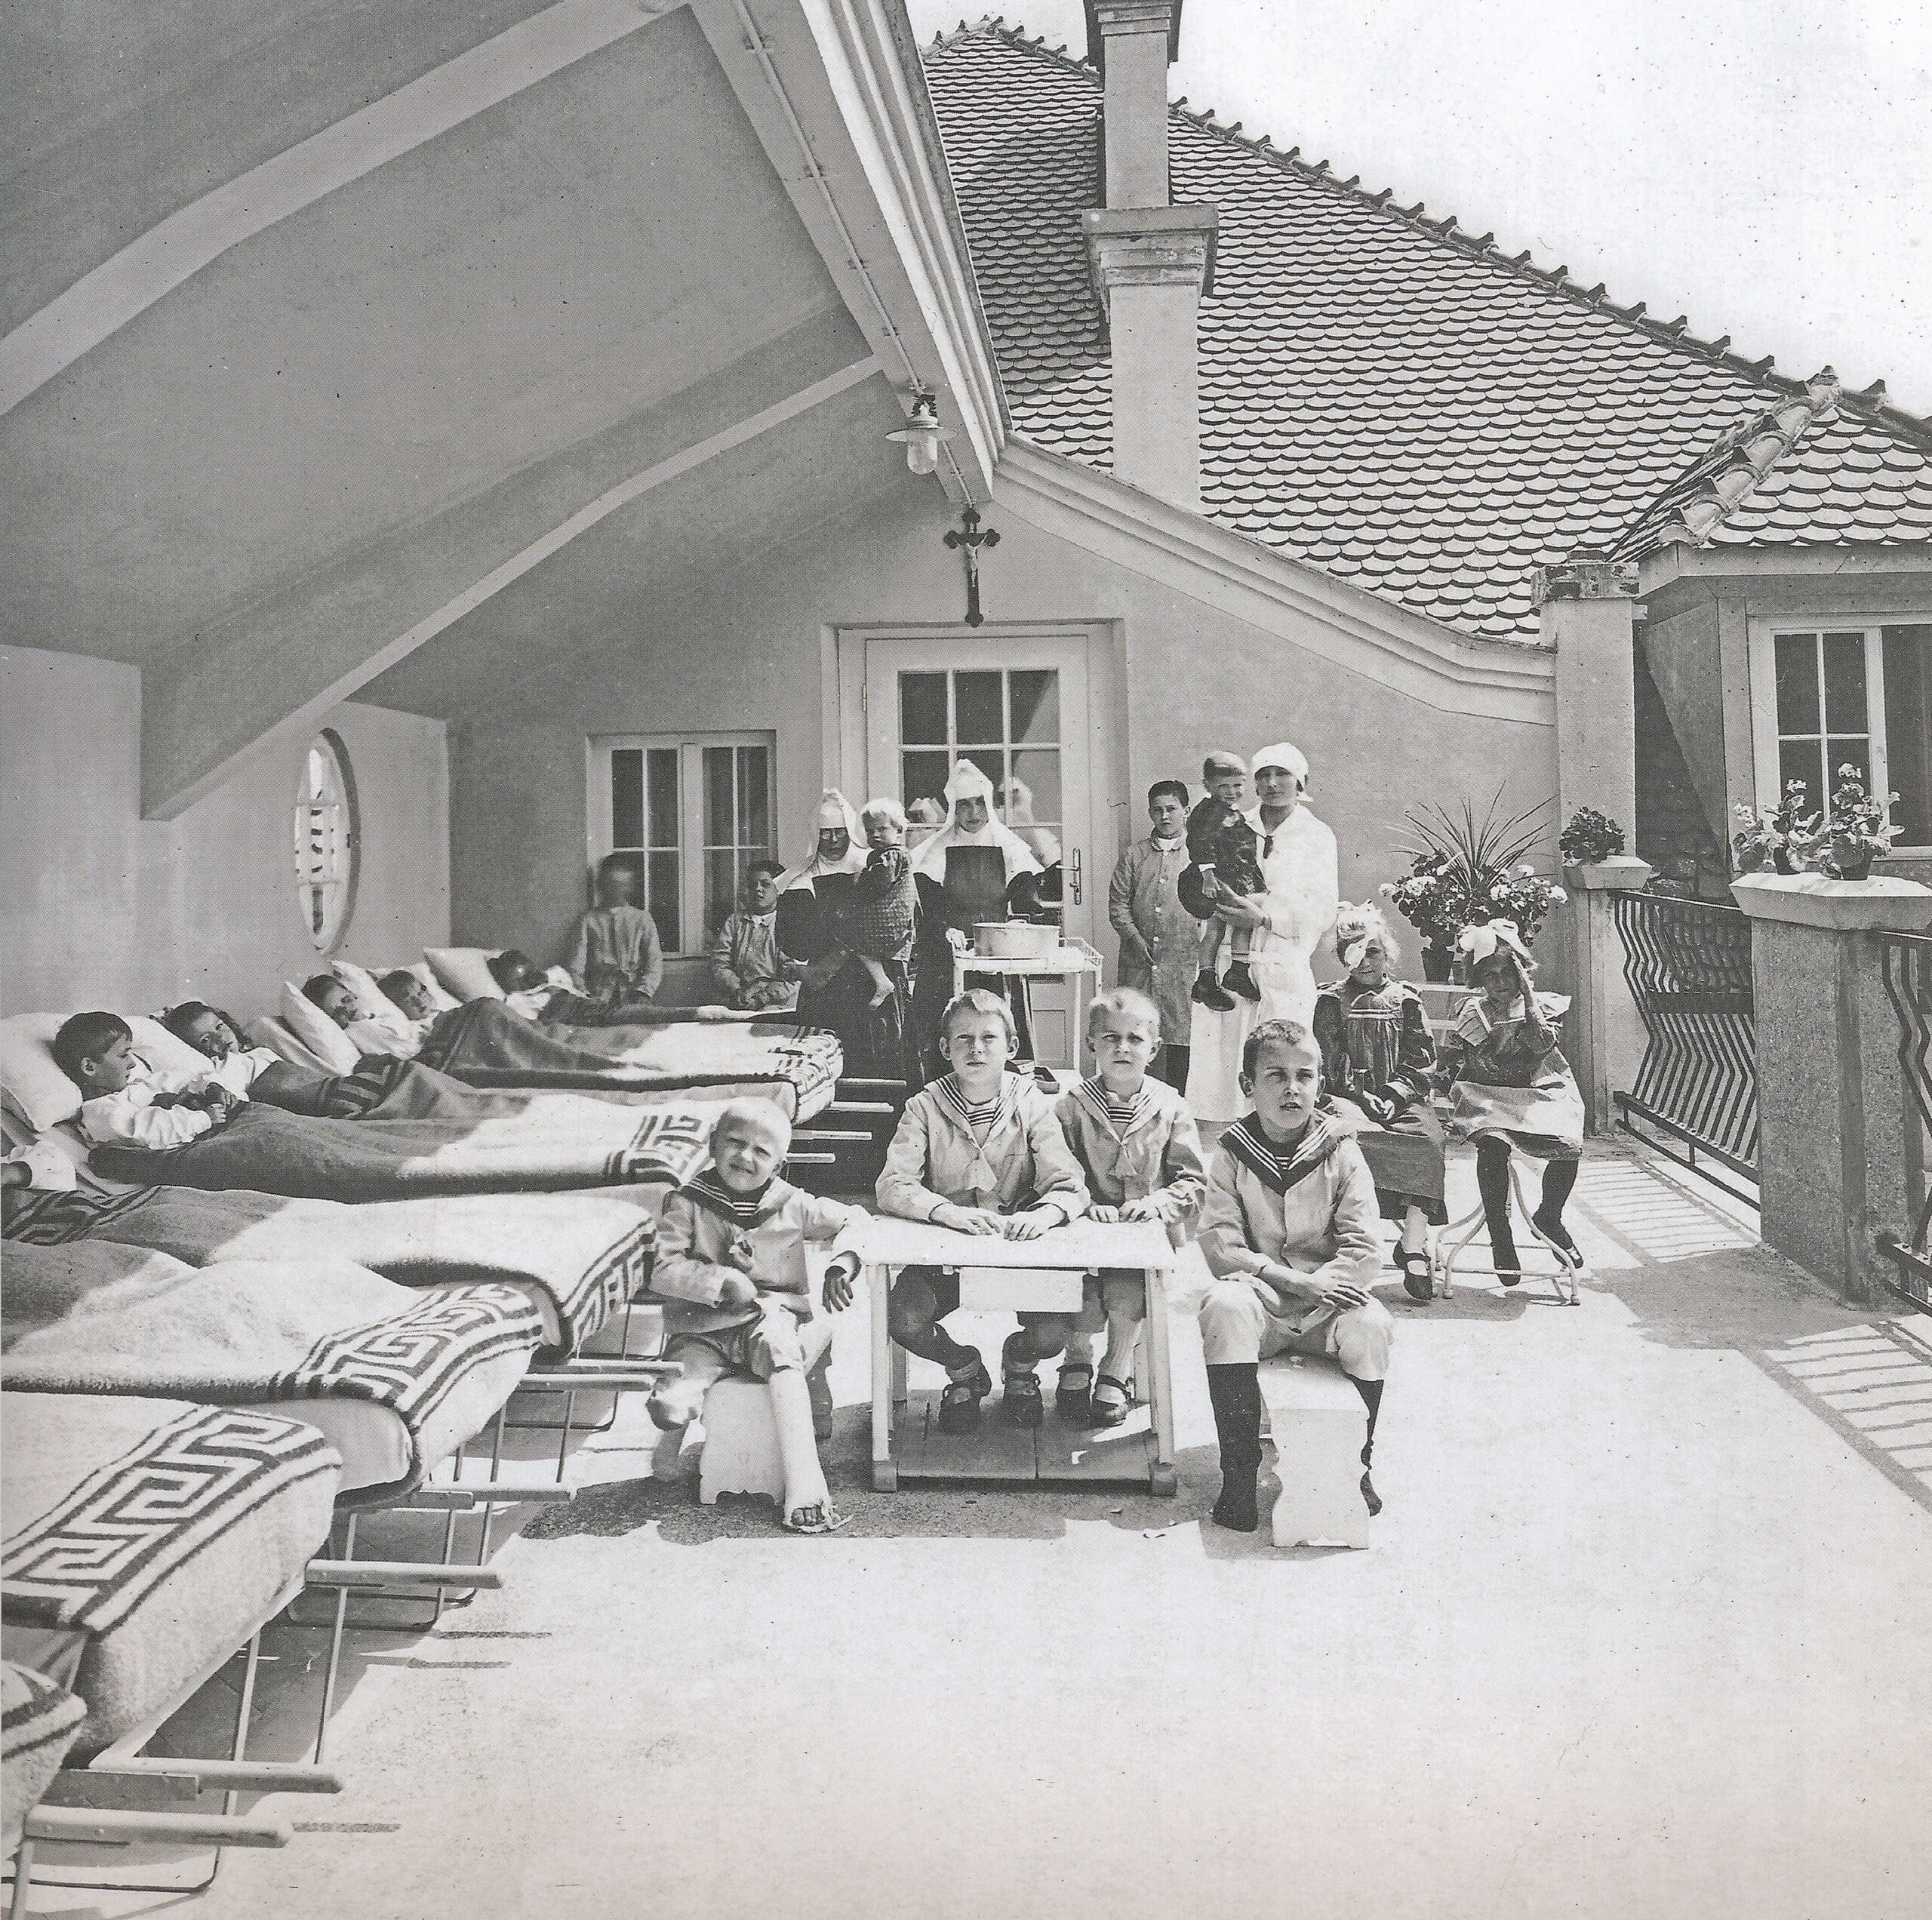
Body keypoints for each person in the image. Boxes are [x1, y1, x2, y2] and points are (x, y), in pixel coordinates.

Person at [1196, 1019, 1392, 1530]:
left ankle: (1358, 1467)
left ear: (1319, 1085)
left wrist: (1323, 1284)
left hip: (1328, 1306)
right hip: (1263, 1302)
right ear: (1248, 1086)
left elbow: (1366, 1244)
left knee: (1372, 1324)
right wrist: (1291, 1281)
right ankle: (1238, 1474)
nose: (1292, 1088)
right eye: (1276, 1076)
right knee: (1223, 1307)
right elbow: (1221, 1245)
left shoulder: (1341, 1150)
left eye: (1305, 1076)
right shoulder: (1231, 1154)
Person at [876, 989, 1091, 1432]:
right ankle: (965, 1369)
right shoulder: (924, 1107)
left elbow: (1069, 1185)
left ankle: (1019, 1364)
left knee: (1056, 1329)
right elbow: (892, 1185)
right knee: (903, 1317)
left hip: (1015, 1250)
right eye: (963, 1039)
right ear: (944, 1049)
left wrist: (1043, 1214)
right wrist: (944, 1212)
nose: (976, 1049)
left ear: (1011, 1048)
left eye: (989, 1038)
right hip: (948, 1253)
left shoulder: (1032, 1103)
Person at [645, 1101, 862, 1534]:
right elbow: (662, 1269)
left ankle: (806, 1481)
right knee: (670, 1405)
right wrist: (718, 1280)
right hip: (703, 1330)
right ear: (712, 1145)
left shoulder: (792, 1204)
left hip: (769, 1318)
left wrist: (845, 1263)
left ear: (780, 1163)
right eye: (735, 1144)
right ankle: (668, 1443)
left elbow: (856, 1219)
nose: (746, 1157)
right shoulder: (686, 1202)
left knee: (782, 1351)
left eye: (761, 1152)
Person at [1054, 987, 1207, 1427]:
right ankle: (1077, 1356)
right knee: (1076, 1289)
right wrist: (1083, 1204)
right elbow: (1055, 1167)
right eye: (1110, 1038)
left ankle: (1116, 1369)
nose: (1122, 1048)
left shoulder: (1170, 1106)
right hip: (1083, 1229)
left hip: (1143, 1233)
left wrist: (1159, 1202)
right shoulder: (1072, 1106)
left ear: (1154, 1048)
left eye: (1135, 1039)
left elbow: (1192, 1178)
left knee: (1127, 1291)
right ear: (1092, 1045)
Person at [1185, 741, 1340, 1126]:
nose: (1272, 783)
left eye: (1282, 774)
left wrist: (1266, 919)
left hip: (1281, 967)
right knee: (1220, 1078)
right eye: (1263, 775)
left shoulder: (1316, 835)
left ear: (1301, 781)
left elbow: (1321, 908)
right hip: (1226, 971)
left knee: (1280, 1070)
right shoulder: (1234, 823)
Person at [1437, 919, 1586, 1285]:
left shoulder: (1544, 1006)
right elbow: (1459, 1059)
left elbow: (1540, 1045)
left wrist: (1530, 997)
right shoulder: (1474, 1010)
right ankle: (1500, 1234)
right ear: (1479, 980)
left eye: (1508, 973)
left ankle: (1549, 1216)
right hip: (1487, 1091)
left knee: (1568, 1144)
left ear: (1521, 971)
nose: (1500, 983)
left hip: (1539, 1089)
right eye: (1491, 976)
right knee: (1493, 1146)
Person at [1312, 905, 1448, 1301]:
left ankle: (1412, 1243)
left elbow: (1422, 1058)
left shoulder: (1405, 999)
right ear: (1342, 956)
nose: (1365, 961)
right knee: (1348, 1139)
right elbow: (1325, 1059)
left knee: (1427, 1141)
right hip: (1347, 1097)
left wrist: (1394, 1093)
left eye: (1373, 952)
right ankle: (1348, 1243)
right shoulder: (1330, 1001)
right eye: (1354, 953)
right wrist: (1358, 1095)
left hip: (1399, 1097)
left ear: (1386, 954)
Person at [910, 759, 1044, 1068]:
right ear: (953, 808)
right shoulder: (937, 849)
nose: (972, 813)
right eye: (964, 805)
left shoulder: (1010, 845)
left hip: (995, 954)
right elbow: (927, 907)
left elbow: (1026, 903)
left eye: (979, 804)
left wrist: (1015, 924)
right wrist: (945, 929)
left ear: (989, 805)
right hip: (947, 953)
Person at [776, 789, 914, 1080]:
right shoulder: (799, 879)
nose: (834, 840)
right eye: (825, 834)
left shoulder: (874, 864)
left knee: (878, 1064)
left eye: (839, 832)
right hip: (827, 990)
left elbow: (906, 914)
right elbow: (791, 940)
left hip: (874, 984)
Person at [1109, 779, 1198, 1089]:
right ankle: (1134, 1096)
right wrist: (1134, 939)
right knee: (1136, 1029)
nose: (1165, 817)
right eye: (1157, 810)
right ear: (1150, 813)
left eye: (1171, 809)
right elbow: (1118, 905)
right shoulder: (1135, 855)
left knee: (1180, 1033)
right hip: (1140, 959)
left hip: (1184, 960)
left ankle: (1179, 1102)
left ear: (1186, 812)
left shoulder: (1198, 854)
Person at [54, 1011, 240, 1149]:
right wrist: (204, 1118)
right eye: (123, 1055)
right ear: (90, 1068)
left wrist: (211, 1087)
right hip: (189, 1147)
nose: (132, 1063)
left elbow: (181, 1079)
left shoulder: (137, 1087)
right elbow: (153, 1131)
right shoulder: (101, 1113)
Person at [1182, 752, 1265, 1011]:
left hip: (1233, 876)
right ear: (1208, 786)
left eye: (1237, 785)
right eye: (1223, 786)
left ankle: (1215, 977)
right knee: (1231, 922)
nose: (1231, 791)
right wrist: (1208, 876)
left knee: (1223, 926)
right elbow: (1199, 844)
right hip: (1216, 879)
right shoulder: (1209, 813)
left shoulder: (1230, 811)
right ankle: (1229, 973)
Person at [847, 798, 919, 1009]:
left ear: (899, 831)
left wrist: (858, 880)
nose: (875, 835)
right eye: (870, 831)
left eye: (882, 829)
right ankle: (881, 981)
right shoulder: (885, 854)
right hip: (888, 917)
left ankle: (882, 982)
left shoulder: (893, 855)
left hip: (889, 920)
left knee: (851, 935)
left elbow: (878, 881)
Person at [565, 854, 664, 1006]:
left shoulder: (642, 919)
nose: (614, 890)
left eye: (620, 885)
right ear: (601, 885)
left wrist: (644, 991)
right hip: (597, 996)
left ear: (630, 887)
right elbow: (576, 964)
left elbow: (654, 961)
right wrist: (584, 994)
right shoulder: (588, 920)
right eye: (609, 884)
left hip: (634, 996)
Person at [706, 859, 805, 1011]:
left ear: (780, 889)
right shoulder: (735, 922)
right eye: (752, 885)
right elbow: (720, 962)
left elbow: (793, 974)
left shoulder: (790, 924)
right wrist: (735, 989)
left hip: (777, 1004)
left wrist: (763, 998)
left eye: (765, 885)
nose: (758, 889)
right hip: (739, 999)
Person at [162, 1000, 287, 1096]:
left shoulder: (261, 1052)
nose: (220, 1037)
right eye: (206, 1039)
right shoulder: (219, 1073)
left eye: (219, 1027)